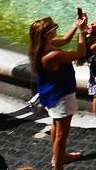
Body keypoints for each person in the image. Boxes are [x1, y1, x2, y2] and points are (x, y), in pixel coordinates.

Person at [28, 14, 89, 170]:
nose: (57, 29)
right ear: (48, 34)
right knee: (62, 135)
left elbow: (66, 40)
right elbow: (81, 53)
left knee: (56, 125)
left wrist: (76, 25)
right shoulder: (53, 55)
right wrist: (82, 32)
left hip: (49, 94)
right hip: (61, 96)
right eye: (55, 27)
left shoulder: (41, 46)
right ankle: (58, 166)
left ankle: (58, 158)